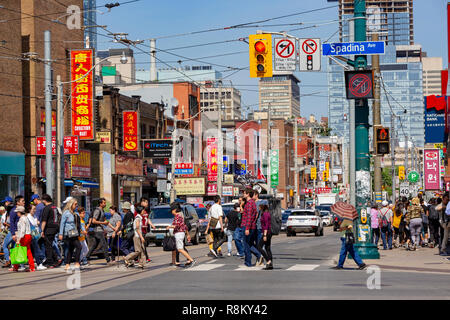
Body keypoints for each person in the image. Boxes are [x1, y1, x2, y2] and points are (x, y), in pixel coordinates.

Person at [167, 203, 196, 267]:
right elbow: (184, 226)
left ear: (175, 210)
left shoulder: (178, 217)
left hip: (179, 234)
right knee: (176, 249)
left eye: (172, 210)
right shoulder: (178, 216)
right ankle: (174, 262)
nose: (171, 212)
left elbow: (177, 225)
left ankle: (191, 260)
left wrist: (170, 227)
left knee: (180, 249)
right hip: (179, 234)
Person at [59, 198, 82, 271]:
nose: (76, 206)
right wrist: (61, 233)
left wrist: (81, 231)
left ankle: (67, 264)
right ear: (71, 204)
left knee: (70, 249)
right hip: (68, 233)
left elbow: (78, 224)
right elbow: (62, 224)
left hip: (74, 233)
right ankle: (77, 262)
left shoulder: (75, 213)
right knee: (79, 246)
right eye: (75, 204)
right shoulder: (66, 213)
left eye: (77, 204)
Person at [10, 206, 35, 272]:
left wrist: (19, 239)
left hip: (24, 236)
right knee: (28, 251)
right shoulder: (25, 218)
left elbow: (22, 230)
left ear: (19, 212)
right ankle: (32, 267)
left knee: (17, 249)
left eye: (17, 212)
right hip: (28, 235)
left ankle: (16, 267)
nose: (17, 214)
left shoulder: (22, 219)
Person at [3, 195, 25, 268]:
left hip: (15, 232)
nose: (24, 202)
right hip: (17, 232)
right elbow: (12, 222)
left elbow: (12, 223)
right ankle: (16, 263)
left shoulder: (15, 210)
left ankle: (8, 261)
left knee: (5, 245)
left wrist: (13, 234)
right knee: (15, 247)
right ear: (17, 202)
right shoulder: (15, 211)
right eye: (22, 201)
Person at [241, 188, 262, 267]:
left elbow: (249, 216)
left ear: (248, 194)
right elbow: (255, 214)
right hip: (251, 226)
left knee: (246, 244)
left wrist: (247, 228)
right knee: (249, 244)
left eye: (244, 193)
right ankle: (258, 255)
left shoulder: (249, 203)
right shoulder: (253, 203)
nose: (243, 194)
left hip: (247, 226)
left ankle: (249, 261)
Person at [40, 194, 62, 268]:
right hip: (55, 227)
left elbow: (44, 220)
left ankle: (51, 261)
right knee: (50, 244)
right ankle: (55, 259)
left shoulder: (46, 208)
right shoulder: (54, 207)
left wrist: (42, 230)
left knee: (48, 245)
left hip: (49, 228)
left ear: (44, 200)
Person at [86, 198, 110, 263]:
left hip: (100, 230)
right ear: (100, 203)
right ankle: (108, 259)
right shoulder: (97, 210)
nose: (105, 204)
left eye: (105, 203)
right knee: (104, 244)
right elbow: (94, 221)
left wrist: (113, 228)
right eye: (104, 203)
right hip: (97, 230)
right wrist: (103, 223)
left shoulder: (102, 211)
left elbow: (105, 221)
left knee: (95, 245)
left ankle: (87, 256)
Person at [26, 204, 46, 271]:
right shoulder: (28, 217)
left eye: (35, 209)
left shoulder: (34, 216)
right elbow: (33, 224)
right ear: (29, 210)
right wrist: (37, 223)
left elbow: (37, 223)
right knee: (36, 248)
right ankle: (40, 262)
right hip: (32, 235)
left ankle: (35, 263)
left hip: (36, 234)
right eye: (33, 209)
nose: (35, 210)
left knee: (34, 249)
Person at [257, 203, 273, 270]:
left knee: (259, 247)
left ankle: (268, 261)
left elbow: (266, 225)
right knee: (267, 248)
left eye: (259, 207)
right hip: (268, 232)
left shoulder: (265, 214)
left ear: (262, 207)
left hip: (266, 233)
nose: (258, 208)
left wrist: (265, 235)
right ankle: (270, 264)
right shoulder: (266, 213)